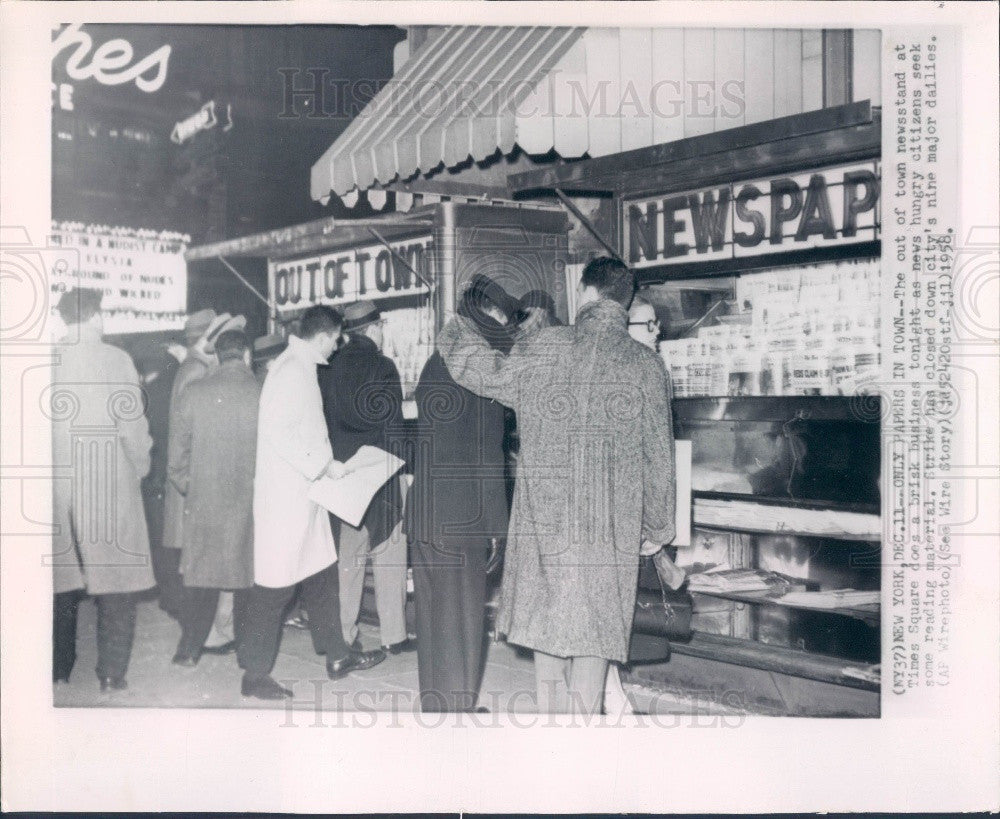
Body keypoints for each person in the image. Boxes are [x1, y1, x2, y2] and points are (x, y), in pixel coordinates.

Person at [437, 257, 677, 715]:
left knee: (547, 626)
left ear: (585, 293)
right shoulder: (647, 367)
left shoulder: (547, 346)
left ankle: (550, 739)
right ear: (624, 304)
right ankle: (581, 741)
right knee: (594, 636)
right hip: (609, 526)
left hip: (545, 519)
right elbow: (659, 460)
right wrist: (657, 528)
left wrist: (452, 327)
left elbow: (482, 371)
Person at [240, 305, 385, 700]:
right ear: (325, 335)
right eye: (337, 338)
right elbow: (279, 434)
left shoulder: (299, 367)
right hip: (286, 503)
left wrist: (324, 467)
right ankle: (254, 675)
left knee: (322, 574)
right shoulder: (290, 372)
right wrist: (323, 465)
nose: (338, 346)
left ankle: (338, 655)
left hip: (302, 499)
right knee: (274, 591)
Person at [406, 275, 521, 712]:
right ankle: (456, 716)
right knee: (463, 619)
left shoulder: (439, 359)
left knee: (435, 618)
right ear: (486, 315)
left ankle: (438, 705)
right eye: (500, 315)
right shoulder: (478, 372)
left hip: (425, 511)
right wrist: (498, 528)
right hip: (462, 516)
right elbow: (487, 454)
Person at [51, 288, 155, 691]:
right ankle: (112, 674)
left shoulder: (45, 361)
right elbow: (133, 427)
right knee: (117, 583)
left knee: (61, 583)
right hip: (107, 487)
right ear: (96, 316)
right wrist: (141, 466)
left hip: (56, 489)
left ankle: (58, 670)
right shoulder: (115, 359)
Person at [318, 301, 410, 654]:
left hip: (342, 475)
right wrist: (404, 467)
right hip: (381, 472)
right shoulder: (383, 366)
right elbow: (394, 425)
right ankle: (394, 636)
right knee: (389, 552)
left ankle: (345, 632)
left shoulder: (329, 369)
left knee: (349, 559)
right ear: (373, 329)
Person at [167, 330, 259, 666]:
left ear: (218, 356)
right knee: (247, 579)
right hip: (249, 502)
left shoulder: (194, 392)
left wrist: (192, 487)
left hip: (204, 500)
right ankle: (248, 656)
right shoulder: (262, 392)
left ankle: (188, 650)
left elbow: (175, 462)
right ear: (246, 355)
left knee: (200, 578)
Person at [159, 308, 216, 618]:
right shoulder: (198, 369)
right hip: (191, 475)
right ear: (207, 336)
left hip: (186, 474)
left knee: (191, 555)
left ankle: (191, 621)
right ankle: (193, 626)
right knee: (193, 555)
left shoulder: (191, 366)